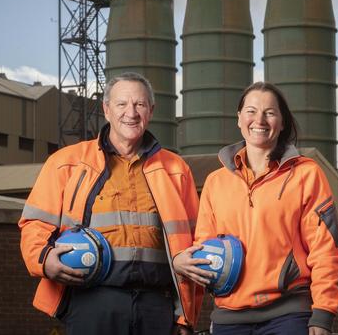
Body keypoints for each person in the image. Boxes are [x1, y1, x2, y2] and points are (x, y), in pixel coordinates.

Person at [19, 72, 203, 335]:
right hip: (90, 301)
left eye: (140, 104)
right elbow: (34, 224)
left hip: (156, 306)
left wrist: (186, 317)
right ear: (106, 109)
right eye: (121, 104)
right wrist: (44, 259)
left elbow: (195, 244)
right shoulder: (66, 163)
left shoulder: (176, 169)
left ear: (151, 111)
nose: (131, 112)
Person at [173, 82, 338, 335]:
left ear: (283, 122)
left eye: (270, 112)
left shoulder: (306, 174)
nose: (259, 120)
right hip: (228, 318)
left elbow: (325, 249)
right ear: (239, 118)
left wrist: (323, 312)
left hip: (289, 315)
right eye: (251, 111)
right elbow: (205, 248)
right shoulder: (215, 182)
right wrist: (180, 260)